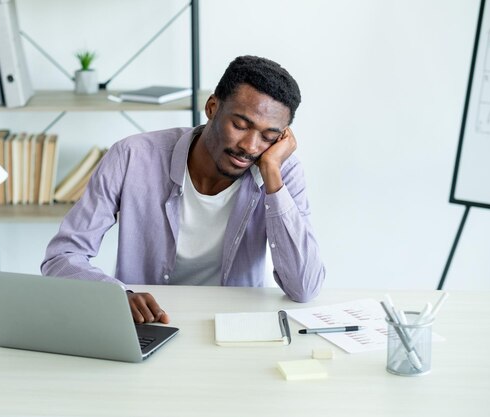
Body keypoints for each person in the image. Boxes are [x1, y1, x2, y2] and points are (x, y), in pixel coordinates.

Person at [42, 55, 325, 324]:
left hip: (235, 325)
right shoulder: (132, 156)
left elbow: (304, 288)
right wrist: (116, 296)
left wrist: (273, 176)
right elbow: (62, 256)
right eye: (240, 125)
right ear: (212, 107)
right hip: (147, 323)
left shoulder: (281, 171)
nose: (250, 147)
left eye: (268, 136)